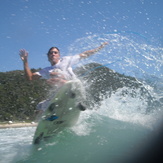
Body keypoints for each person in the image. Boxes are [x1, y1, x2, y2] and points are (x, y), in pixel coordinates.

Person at [19, 42, 108, 114]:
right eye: (51, 53)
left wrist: (99, 48)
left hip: (74, 86)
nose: (53, 54)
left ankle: (78, 101)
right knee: (40, 106)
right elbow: (30, 78)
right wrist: (25, 62)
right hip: (62, 92)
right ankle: (52, 118)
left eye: (55, 52)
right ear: (48, 56)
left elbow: (84, 54)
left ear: (59, 55)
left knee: (55, 73)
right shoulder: (46, 70)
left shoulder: (66, 60)